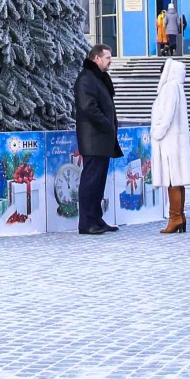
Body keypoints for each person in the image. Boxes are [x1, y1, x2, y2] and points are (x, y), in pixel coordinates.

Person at [73, 44, 120, 236]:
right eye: (107, 57)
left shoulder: (97, 78)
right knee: (91, 181)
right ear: (96, 58)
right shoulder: (86, 79)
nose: (110, 61)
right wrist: (107, 124)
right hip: (93, 138)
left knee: (99, 181)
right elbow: (88, 108)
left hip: (101, 138)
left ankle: (96, 219)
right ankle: (86, 222)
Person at [151, 57, 190, 232]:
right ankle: (179, 216)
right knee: (177, 179)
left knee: (171, 179)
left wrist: (157, 132)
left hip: (169, 140)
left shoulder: (169, 88)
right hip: (176, 141)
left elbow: (166, 114)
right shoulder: (178, 88)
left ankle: (175, 217)